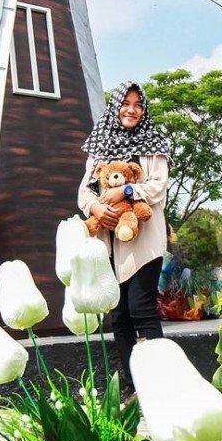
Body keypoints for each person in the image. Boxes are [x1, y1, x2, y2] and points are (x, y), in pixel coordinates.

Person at [77, 81, 171, 394]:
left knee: (142, 310)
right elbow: (85, 191)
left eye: (138, 105)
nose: (132, 110)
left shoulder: (153, 144)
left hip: (144, 242)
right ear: (115, 106)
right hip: (110, 243)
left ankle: (162, 387)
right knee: (119, 316)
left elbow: (158, 187)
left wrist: (127, 190)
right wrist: (95, 208)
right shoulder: (100, 146)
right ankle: (133, 388)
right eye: (126, 104)